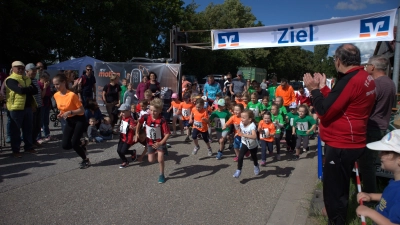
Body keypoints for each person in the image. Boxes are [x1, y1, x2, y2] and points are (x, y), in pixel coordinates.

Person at [303, 43, 376, 225]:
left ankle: (336, 221)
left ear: (339, 60)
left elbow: (324, 111)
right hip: (353, 139)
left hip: (342, 144)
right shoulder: (364, 77)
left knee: (334, 192)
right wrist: (324, 89)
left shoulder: (349, 80)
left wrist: (314, 90)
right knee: (340, 186)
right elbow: (342, 102)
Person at [359, 55, 397, 194]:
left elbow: (365, 106)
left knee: (366, 164)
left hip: (371, 127)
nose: (366, 67)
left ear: (373, 67)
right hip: (381, 126)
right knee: (369, 162)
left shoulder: (376, 84)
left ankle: (369, 195)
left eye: (368, 65)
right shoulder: (390, 83)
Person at [356, 129, 400, 225]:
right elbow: (389, 197)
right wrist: (371, 196)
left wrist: (369, 212)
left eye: (385, 152)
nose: (379, 155)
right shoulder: (395, 182)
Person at [53, 73, 90, 169]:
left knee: (74, 143)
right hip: (69, 120)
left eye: (57, 84)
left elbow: (82, 110)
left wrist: (70, 112)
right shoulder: (56, 95)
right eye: (54, 84)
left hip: (79, 119)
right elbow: (62, 108)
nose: (56, 86)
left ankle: (85, 159)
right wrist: (60, 114)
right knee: (65, 145)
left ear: (64, 83)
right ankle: (82, 143)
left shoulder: (72, 95)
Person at [6, 61, 38, 158]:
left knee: (28, 128)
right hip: (16, 108)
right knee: (15, 130)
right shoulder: (10, 79)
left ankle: (28, 147)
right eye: (18, 68)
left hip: (28, 107)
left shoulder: (26, 79)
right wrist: (28, 88)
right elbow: (19, 90)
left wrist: (25, 89)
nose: (20, 70)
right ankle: (16, 150)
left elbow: (35, 90)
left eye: (22, 68)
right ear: (13, 68)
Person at [135, 98, 170, 183]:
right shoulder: (146, 117)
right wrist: (136, 133)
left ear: (160, 111)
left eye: (155, 111)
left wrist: (161, 143)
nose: (152, 112)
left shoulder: (162, 120)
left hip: (160, 141)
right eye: (151, 110)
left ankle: (161, 175)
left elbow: (168, 134)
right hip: (150, 141)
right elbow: (139, 123)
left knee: (160, 159)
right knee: (151, 160)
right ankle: (161, 150)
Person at [233, 110, 260, 178]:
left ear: (250, 119)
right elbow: (240, 129)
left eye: (244, 118)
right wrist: (238, 132)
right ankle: (238, 170)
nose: (242, 119)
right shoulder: (241, 123)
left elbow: (254, 136)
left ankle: (256, 165)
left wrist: (244, 135)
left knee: (254, 157)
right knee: (240, 156)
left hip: (253, 145)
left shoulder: (252, 126)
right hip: (244, 143)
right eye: (241, 117)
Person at [117, 104, 140, 168]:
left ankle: (125, 162)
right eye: (121, 112)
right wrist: (118, 128)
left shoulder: (130, 120)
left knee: (123, 151)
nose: (122, 113)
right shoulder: (123, 118)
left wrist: (132, 128)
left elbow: (135, 127)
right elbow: (122, 125)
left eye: (124, 112)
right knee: (119, 151)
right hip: (122, 137)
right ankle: (132, 152)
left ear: (129, 111)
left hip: (128, 138)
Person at [25, 63, 43, 147]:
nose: (35, 72)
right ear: (27, 71)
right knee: (31, 126)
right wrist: (32, 105)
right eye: (33, 70)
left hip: (39, 105)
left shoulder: (35, 80)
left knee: (38, 125)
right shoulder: (26, 80)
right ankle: (30, 142)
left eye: (35, 70)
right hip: (32, 106)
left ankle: (34, 140)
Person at [37, 73, 52, 142]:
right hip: (41, 104)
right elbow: (42, 96)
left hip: (47, 103)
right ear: (42, 78)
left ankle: (47, 134)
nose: (47, 81)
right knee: (40, 121)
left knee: (46, 120)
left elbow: (49, 94)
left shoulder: (47, 84)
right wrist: (45, 88)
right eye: (46, 79)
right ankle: (38, 136)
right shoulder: (39, 84)